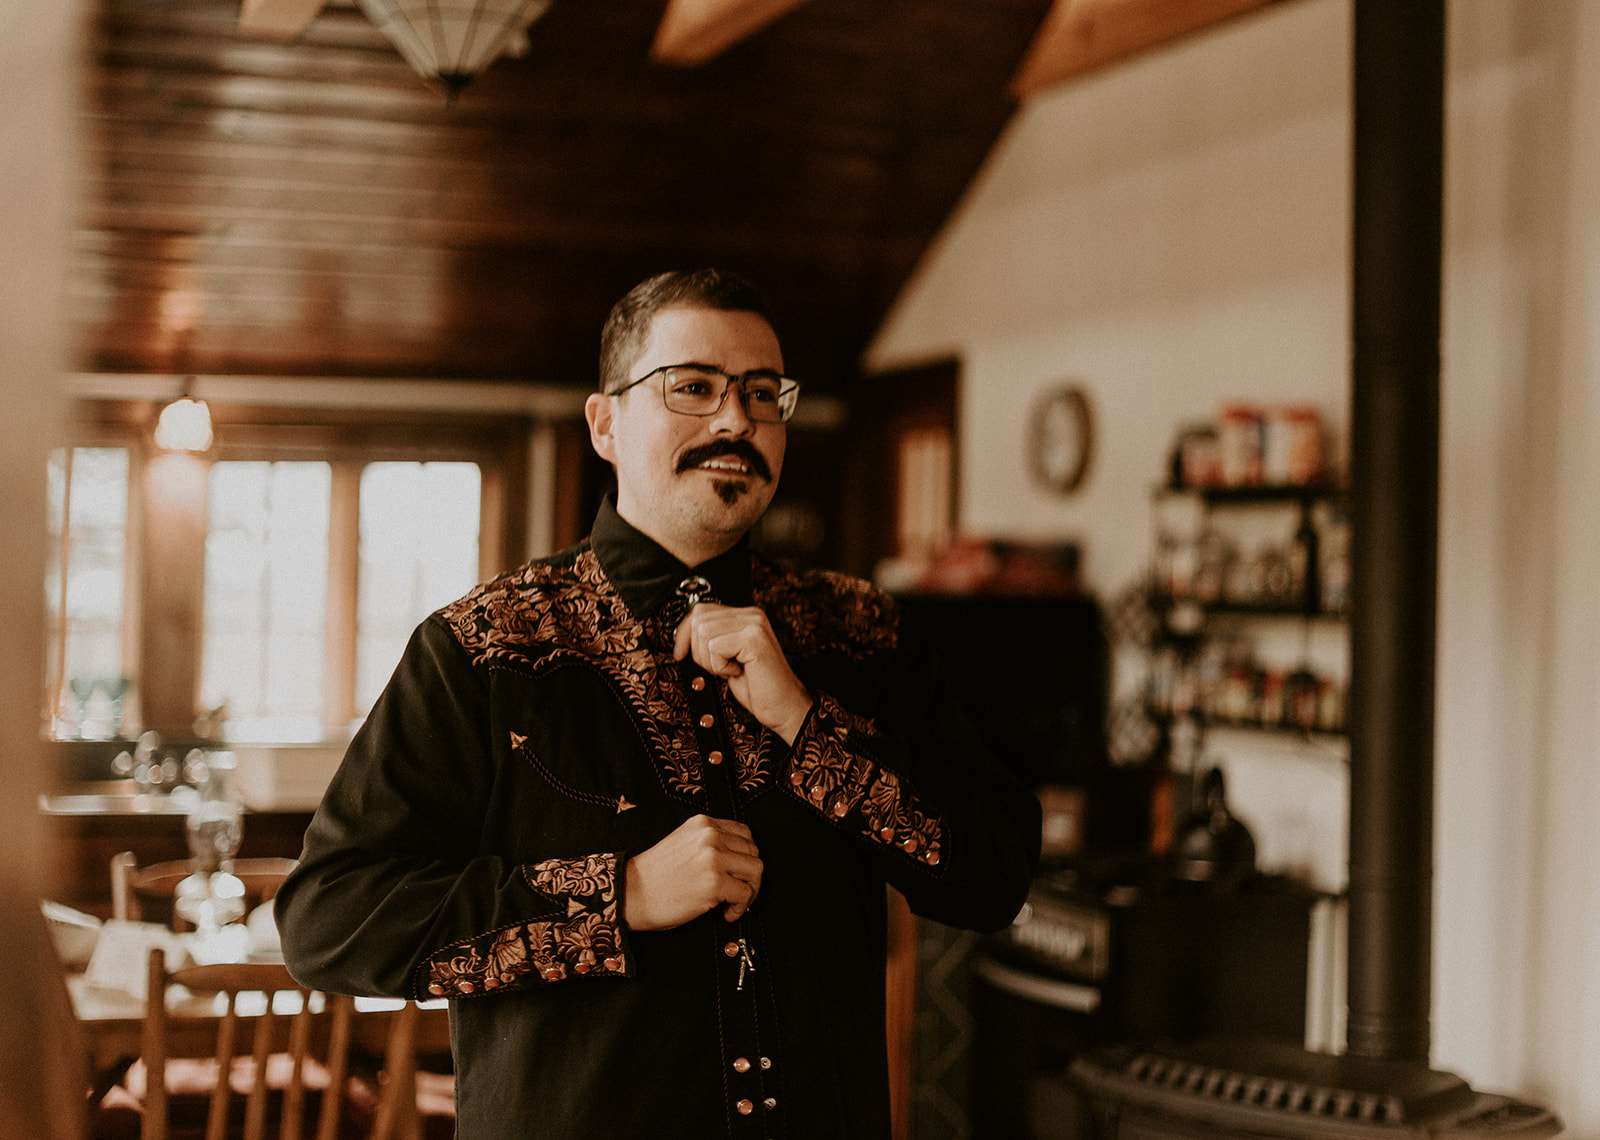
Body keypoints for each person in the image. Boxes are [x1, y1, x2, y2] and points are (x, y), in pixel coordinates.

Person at [275, 268, 1041, 1138]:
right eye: (694, 387)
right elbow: (328, 920)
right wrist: (620, 894)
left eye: (762, 393)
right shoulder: (483, 648)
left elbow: (995, 879)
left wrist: (806, 725)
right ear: (605, 423)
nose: (736, 420)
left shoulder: (862, 636)